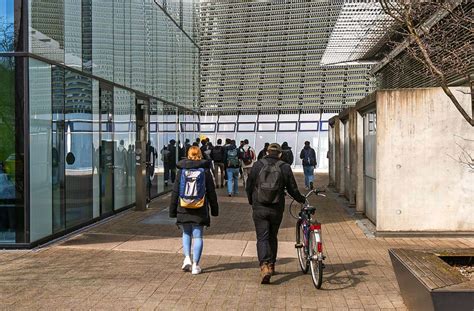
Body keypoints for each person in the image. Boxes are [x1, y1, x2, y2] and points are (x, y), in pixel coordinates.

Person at [246, 143, 306, 284]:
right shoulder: (284, 167)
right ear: (280, 154)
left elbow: (249, 186)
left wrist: (251, 201)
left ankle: (264, 266)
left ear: (267, 152)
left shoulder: (257, 165)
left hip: (259, 206)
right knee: (273, 236)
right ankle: (272, 265)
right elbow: (292, 188)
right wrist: (301, 199)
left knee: (262, 238)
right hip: (276, 207)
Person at [169, 146, 219, 275]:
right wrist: (214, 209)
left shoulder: (181, 171)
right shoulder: (205, 171)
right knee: (198, 236)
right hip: (200, 207)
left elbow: (175, 191)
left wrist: (172, 210)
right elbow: (211, 192)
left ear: (188, 155)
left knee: (186, 233)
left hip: (183, 206)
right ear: (200, 155)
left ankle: (187, 258)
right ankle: (196, 265)